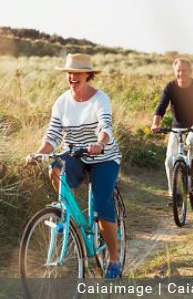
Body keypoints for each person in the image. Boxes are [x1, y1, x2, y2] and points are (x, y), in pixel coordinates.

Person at [26, 53, 123, 279]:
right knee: (55, 169)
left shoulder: (100, 99)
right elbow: (52, 135)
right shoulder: (61, 102)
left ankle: (115, 259)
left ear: (88, 74)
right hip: (75, 155)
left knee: (100, 204)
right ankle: (66, 216)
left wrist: (100, 143)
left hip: (104, 157)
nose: (73, 77)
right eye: (70, 72)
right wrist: (38, 153)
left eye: (78, 72)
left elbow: (105, 125)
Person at [150, 58, 193, 199]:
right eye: (178, 70)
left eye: (184, 70)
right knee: (169, 161)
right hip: (177, 127)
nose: (181, 73)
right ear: (175, 71)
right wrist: (155, 124)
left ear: (190, 72)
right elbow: (161, 107)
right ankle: (174, 194)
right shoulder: (170, 87)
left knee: (192, 141)